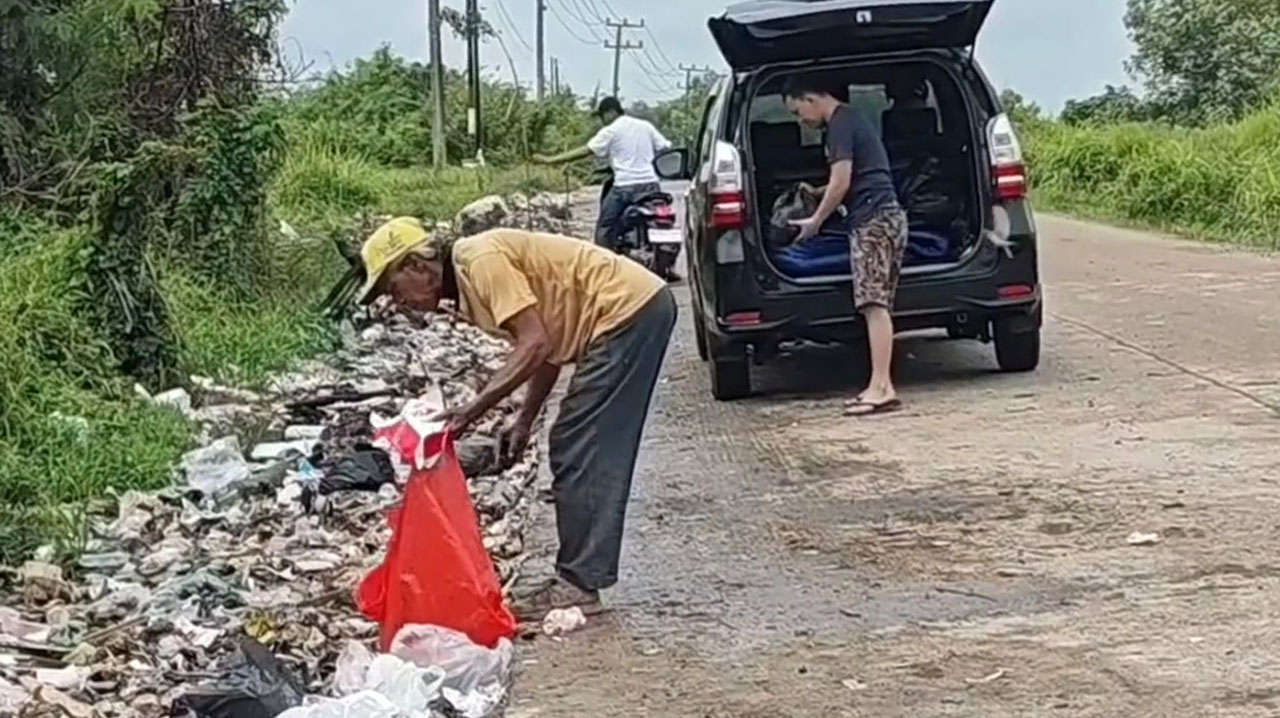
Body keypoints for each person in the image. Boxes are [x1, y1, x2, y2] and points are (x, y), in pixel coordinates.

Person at [356, 217, 677, 620]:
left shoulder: (480, 262)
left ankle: (579, 584)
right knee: (578, 440)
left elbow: (535, 344)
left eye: (393, 287)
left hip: (627, 311)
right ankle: (578, 576)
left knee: (581, 444)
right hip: (630, 311)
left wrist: (473, 410)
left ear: (416, 265)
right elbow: (546, 347)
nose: (397, 301)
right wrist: (524, 420)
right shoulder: (471, 284)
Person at [783, 75, 908, 417]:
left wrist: (815, 221)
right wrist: (816, 192)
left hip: (873, 221)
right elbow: (855, 177)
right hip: (887, 217)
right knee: (877, 304)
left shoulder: (839, 124)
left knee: (874, 304)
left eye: (797, 112)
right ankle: (879, 385)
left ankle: (882, 387)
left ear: (811, 99)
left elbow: (842, 181)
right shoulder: (851, 119)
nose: (801, 121)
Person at [534, 97, 676, 276]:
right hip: (651, 186)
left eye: (602, 116)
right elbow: (665, 146)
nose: (602, 120)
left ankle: (602, 269)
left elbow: (586, 151)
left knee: (604, 228)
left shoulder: (611, 130)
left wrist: (550, 160)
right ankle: (670, 267)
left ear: (610, 112)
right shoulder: (645, 126)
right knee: (666, 219)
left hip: (625, 187)